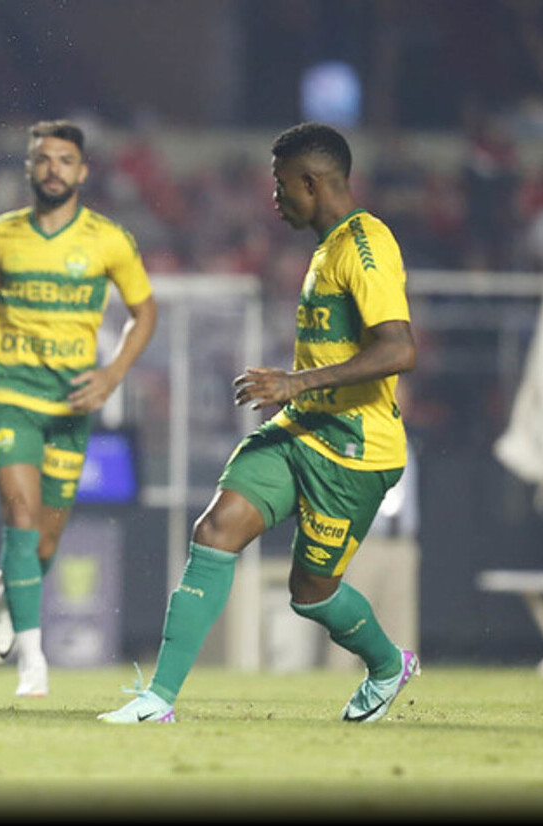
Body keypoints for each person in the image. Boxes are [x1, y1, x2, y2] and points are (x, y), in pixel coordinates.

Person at [100, 122, 420, 725]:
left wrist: (296, 381)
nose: (274, 198)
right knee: (217, 529)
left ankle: (384, 664)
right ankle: (158, 700)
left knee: (310, 593)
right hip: (301, 431)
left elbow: (400, 349)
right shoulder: (327, 248)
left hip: (354, 452)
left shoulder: (365, 247)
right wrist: (297, 394)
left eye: (280, 186)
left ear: (310, 182)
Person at [0, 120, 157, 697]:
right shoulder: (0, 235)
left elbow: (145, 313)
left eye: (64, 160)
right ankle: (34, 660)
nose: (52, 168)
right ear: (29, 168)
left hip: (74, 404)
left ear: (82, 172)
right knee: (19, 512)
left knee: (44, 542)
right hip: (11, 393)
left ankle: (7, 590)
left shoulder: (109, 240)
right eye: (42, 159)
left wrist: (112, 376)